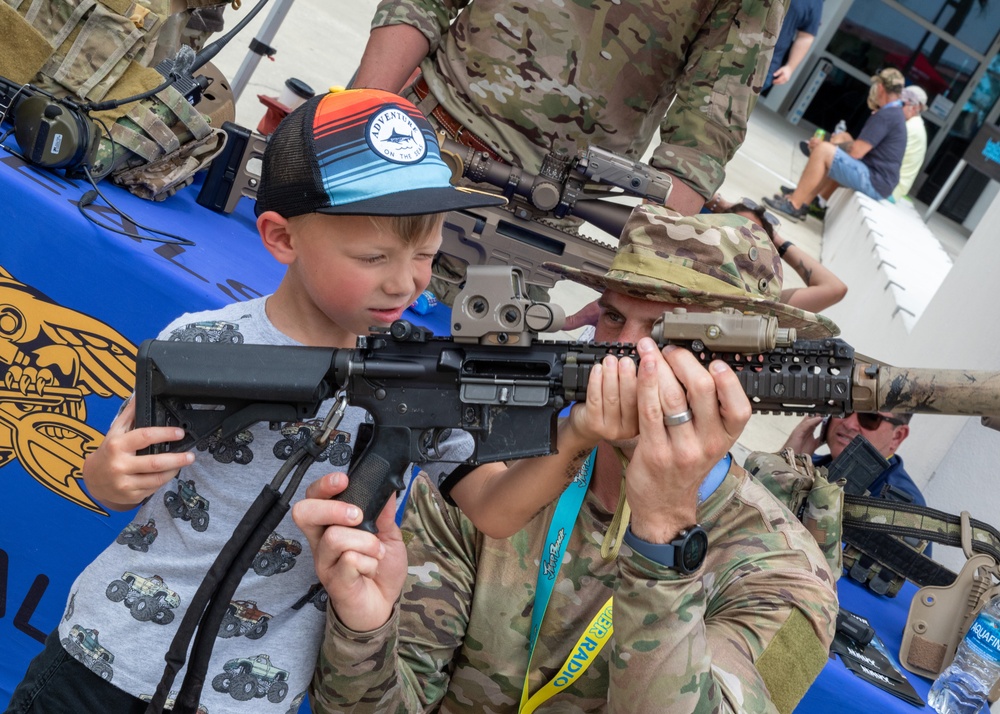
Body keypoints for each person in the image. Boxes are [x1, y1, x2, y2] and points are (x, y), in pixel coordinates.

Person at [4, 88, 523, 713]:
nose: (406, 280)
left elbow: (493, 509)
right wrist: (108, 473)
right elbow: (114, 480)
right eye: (374, 256)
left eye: (427, 255)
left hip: (248, 695)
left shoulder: (417, 377)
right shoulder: (204, 342)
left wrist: (578, 438)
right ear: (280, 237)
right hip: (102, 659)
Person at [296, 205, 840, 713]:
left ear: (745, 363)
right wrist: (364, 628)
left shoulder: (785, 575)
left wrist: (663, 531)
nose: (621, 355)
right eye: (611, 318)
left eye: (668, 332)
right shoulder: (496, 474)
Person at [351, 0, 789, 301]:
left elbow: (709, 120)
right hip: (412, 140)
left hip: (532, 227)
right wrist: (352, 116)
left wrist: (647, 274)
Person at [765, 68, 908, 221]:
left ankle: (793, 204)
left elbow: (856, 152)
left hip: (874, 181)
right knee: (840, 141)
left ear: (880, 88)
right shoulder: (895, 114)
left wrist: (825, 146)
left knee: (824, 151)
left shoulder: (886, 115)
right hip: (879, 180)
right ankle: (804, 201)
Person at [704, 195, 847, 312]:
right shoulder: (684, 236)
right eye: (734, 225)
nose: (739, 238)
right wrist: (718, 204)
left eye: (751, 235)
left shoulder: (758, 304)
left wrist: (776, 243)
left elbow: (834, 289)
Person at [781, 411, 924, 506]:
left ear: (897, 436)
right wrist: (786, 461)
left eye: (869, 417)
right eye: (843, 409)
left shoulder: (902, 507)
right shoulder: (809, 463)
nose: (848, 424)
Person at [762, 0, 823, 94]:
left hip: (765, 65)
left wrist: (790, 67)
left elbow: (806, 37)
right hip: (735, 44)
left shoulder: (815, 2)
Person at [891, 85, 929, 202]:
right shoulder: (914, 124)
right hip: (894, 188)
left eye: (903, 102)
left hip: (890, 188)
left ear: (916, 107)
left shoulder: (909, 127)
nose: (898, 105)